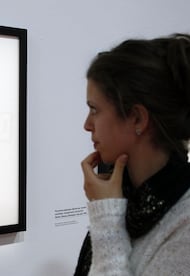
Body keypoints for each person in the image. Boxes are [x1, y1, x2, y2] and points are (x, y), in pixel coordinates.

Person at [74, 34, 190, 275]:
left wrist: (106, 215)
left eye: (94, 110)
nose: (87, 124)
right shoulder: (130, 202)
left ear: (137, 118)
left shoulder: (184, 223)